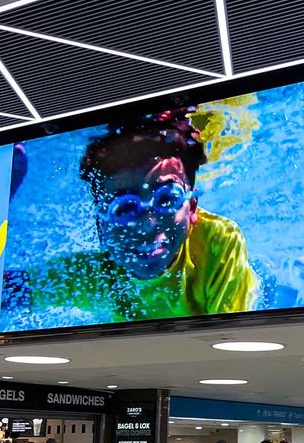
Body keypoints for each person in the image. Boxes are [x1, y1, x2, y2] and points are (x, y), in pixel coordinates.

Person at [24, 107, 259, 322]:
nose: (148, 224)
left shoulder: (216, 241)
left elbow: (230, 337)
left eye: (166, 199)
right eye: (125, 208)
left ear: (193, 208)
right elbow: (3, 290)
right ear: (100, 226)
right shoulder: (95, 277)